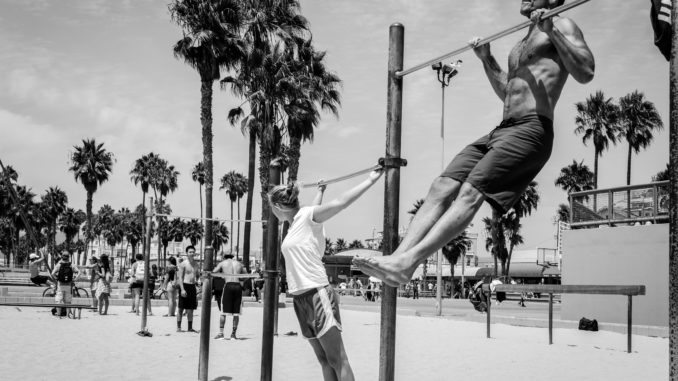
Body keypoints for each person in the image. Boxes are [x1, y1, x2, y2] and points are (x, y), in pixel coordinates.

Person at [354, 0, 594, 286]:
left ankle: (409, 263)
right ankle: (397, 258)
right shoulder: (521, 42)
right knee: (441, 186)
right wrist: (486, 59)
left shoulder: (562, 24)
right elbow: (509, 92)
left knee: (471, 190)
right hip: (503, 129)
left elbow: (586, 72)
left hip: (532, 129)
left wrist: (552, 30)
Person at [268, 168, 383, 381]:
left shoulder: (307, 216)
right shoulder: (294, 224)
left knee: (337, 359)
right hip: (300, 298)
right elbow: (312, 211)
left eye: (271, 208)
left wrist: (370, 180)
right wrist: (321, 190)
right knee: (323, 359)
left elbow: (340, 203)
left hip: (317, 293)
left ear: (277, 207)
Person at [208, 253, 247, 340]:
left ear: (224, 257)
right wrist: (240, 279)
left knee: (223, 311)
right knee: (236, 313)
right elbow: (246, 275)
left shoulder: (223, 263)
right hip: (237, 286)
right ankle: (233, 334)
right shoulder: (239, 264)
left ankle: (221, 333)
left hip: (228, 285)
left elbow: (213, 272)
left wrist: (222, 275)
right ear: (232, 257)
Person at [51, 251, 80, 318]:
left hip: (60, 285)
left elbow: (52, 273)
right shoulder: (71, 265)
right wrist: (75, 279)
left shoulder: (59, 264)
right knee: (68, 301)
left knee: (59, 300)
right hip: (68, 285)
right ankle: (67, 315)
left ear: (62, 257)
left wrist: (56, 279)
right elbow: (79, 272)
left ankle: (58, 315)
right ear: (68, 257)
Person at [177, 246, 199, 333]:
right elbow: (180, 278)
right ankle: (179, 327)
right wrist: (182, 289)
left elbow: (197, 275)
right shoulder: (183, 264)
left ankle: (190, 327)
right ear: (187, 253)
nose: (192, 253)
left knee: (191, 308)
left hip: (192, 286)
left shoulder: (196, 264)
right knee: (181, 308)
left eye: (193, 252)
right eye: (190, 252)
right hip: (184, 286)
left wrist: (198, 280)